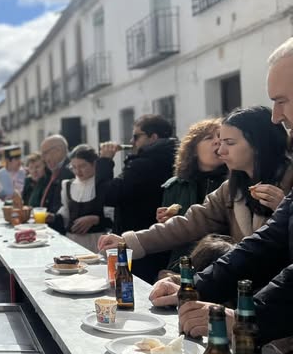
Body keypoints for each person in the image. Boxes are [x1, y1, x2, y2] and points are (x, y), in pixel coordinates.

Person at [166, 38, 293, 346]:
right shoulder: (231, 187)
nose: (276, 116)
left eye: (282, 101)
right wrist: (193, 286)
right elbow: (267, 242)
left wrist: (247, 319)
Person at [100, 106, 291, 282]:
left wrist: (286, 211)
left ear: (258, 144)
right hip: (243, 291)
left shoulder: (288, 181)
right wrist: (128, 241)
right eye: (219, 142)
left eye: (229, 143)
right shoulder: (230, 189)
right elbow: (189, 223)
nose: (221, 150)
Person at [98, 114, 176, 281]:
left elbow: (108, 195)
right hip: (160, 242)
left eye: (136, 136)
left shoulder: (143, 165)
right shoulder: (174, 159)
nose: (131, 141)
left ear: (153, 137)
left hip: (138, 245)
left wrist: (105, 161)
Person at [156, 118, 228, 270]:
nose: (217, 141)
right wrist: (166, 221)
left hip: (220, 264)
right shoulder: (175, 185)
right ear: (193, 150)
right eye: (208, 138)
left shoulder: (233, 182)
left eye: (220, 137)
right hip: (181, 265)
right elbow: (169, 237)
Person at [51, 144, 112, 253]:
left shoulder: (102, 185)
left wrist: (96, 219)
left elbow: (113, 218)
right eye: (74, 167)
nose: (78, 172)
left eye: (82, 166)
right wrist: (52, 217)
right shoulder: (67, 185)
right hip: (72, 242)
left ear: (94, 164)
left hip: (96, 242)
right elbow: (66, 215)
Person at [37, 135, 75, 226]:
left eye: (45, 153)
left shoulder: (71, 171)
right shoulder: (51, 170)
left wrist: (53, 217)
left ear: (59, 150)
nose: (43, 159)